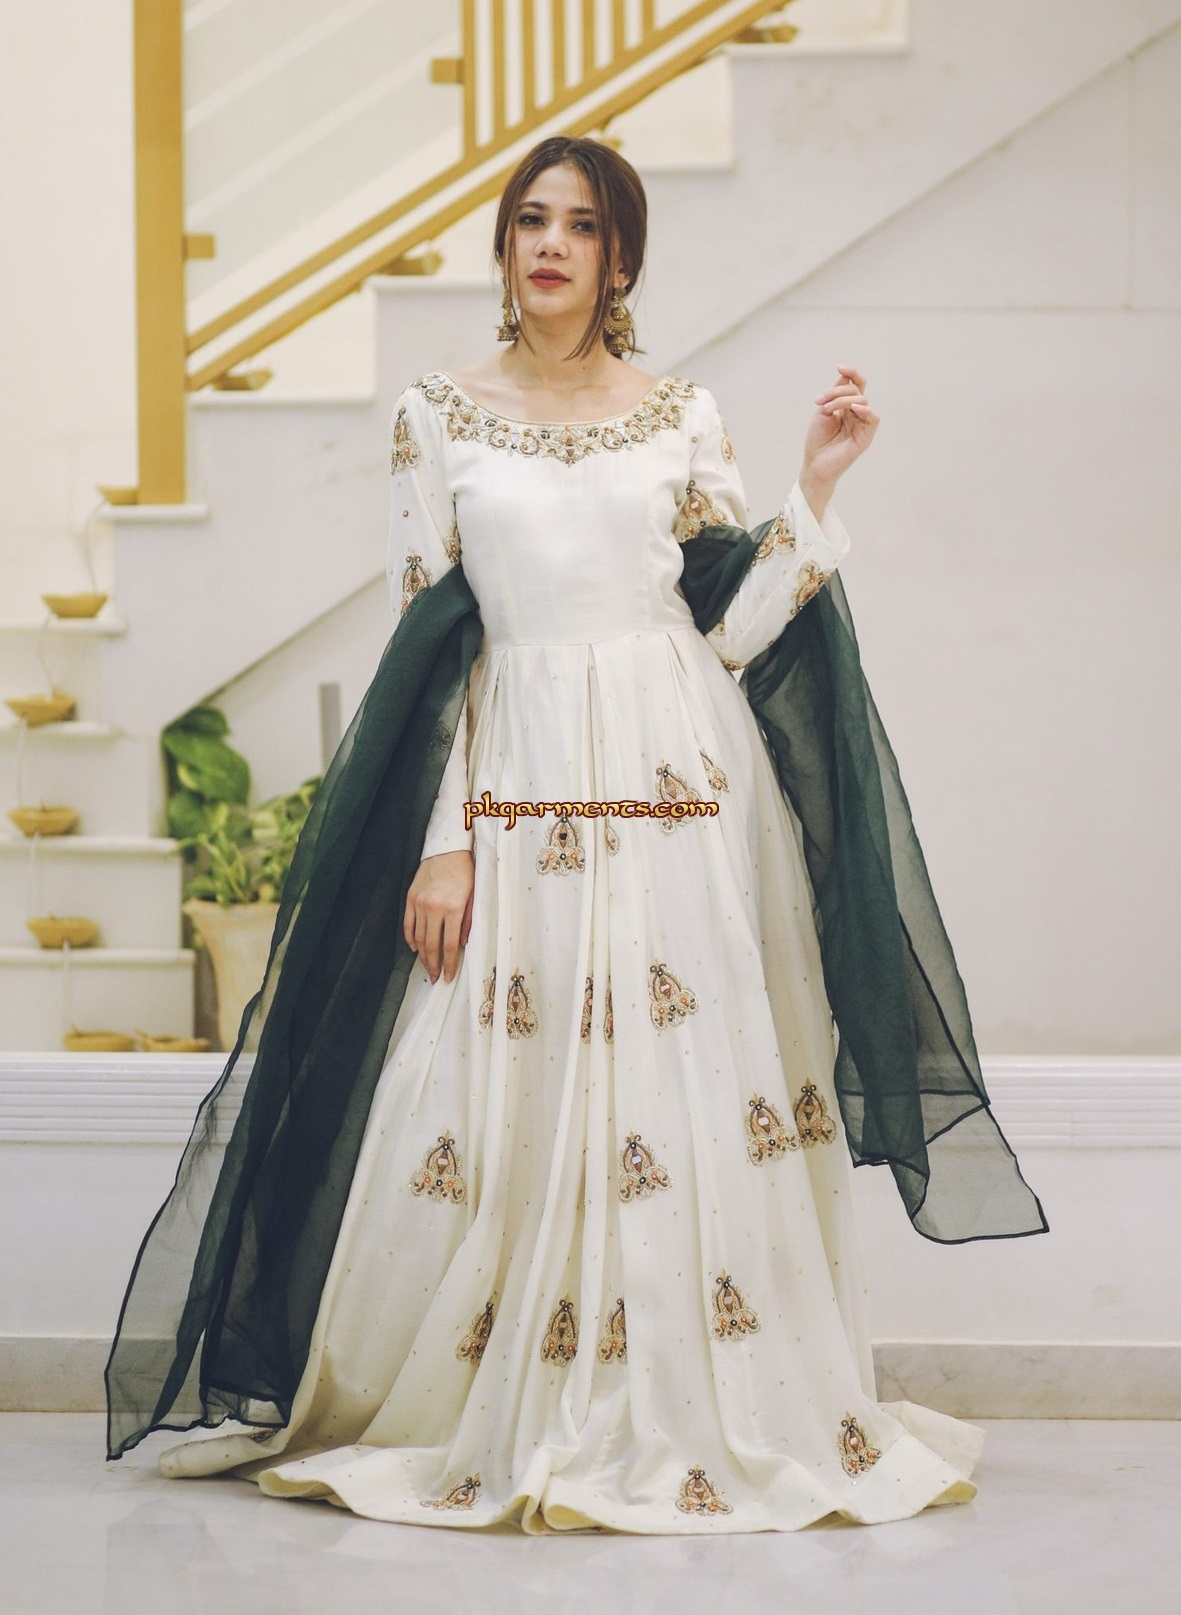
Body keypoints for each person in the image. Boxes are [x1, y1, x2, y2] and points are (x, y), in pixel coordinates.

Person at [104, 135, 1046, 1532]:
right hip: (519, 772)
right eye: (531, 220)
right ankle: (489, 1394)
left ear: (620, 260)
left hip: (676, 780)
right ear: (503, 248)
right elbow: (432, 647)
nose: (552, 243)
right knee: (486, 1080)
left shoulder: (679, 414)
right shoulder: (438, 416)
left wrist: (816, 492)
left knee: (691, 1079)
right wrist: (447, 839)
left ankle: (692, 1396)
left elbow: (731, 634)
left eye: (584, 225)